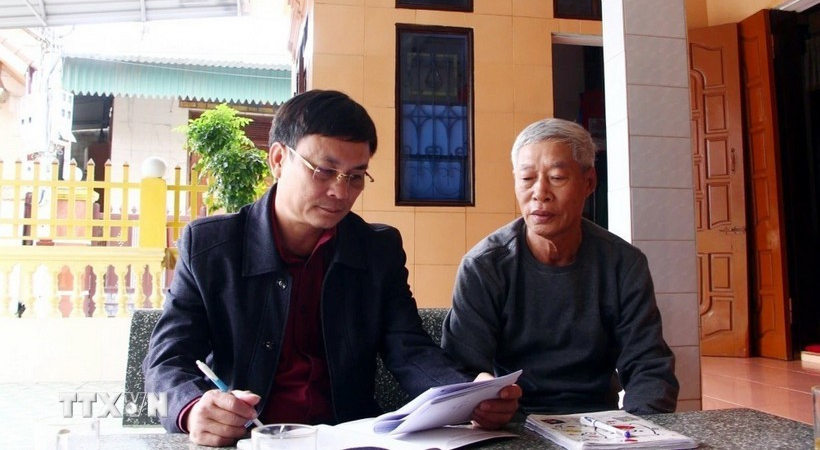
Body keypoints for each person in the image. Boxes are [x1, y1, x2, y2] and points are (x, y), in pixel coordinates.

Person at [143, 89, 521, 446]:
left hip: (351, 438)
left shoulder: (377, 250)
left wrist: (467, 395)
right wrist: (193, 409)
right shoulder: (212, 247)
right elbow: (166, 361)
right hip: (250, 440)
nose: (341, 192)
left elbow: (408, 349)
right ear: (278, 159)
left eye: (356, 176)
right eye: (324, 170)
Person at [441, 118, 679, 417]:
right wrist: (481, 401)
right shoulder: (484, 266)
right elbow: (461, 369)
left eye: (556, 177)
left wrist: (640, 432)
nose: (540, 193)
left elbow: (648, 365)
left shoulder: (623, 263)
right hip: (513, 425)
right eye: (527, 179)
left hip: (598, 421)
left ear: (589, 183)